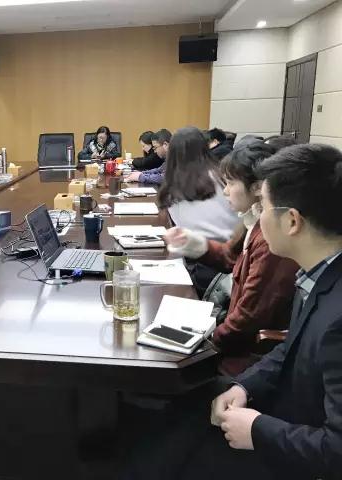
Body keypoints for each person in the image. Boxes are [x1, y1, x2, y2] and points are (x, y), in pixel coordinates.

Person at [124, 143, 342, 480]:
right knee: (176, 416)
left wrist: (257, 429)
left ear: (292, 221)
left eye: (263, 206)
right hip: (280, 414)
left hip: (292, 446)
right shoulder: (316, 273)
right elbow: (288, 350)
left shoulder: (337, 315)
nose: (257, 216)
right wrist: (244, 387)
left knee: (172, 444)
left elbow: (335, 450)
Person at [164, 142, 298, 372]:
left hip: (246, 359)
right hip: (233, 339)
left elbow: (248, 318)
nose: (225, 191)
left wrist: (206, 343)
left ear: (258, 188)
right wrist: (192, 243)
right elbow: (230, 258)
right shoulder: (251, 221)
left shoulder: (270, 238)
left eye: (230, 183)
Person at [157, 126, 239, 242]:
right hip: (233, 244)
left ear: (172, 153)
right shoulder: (221, 176)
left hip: (198, 247)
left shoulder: (174, 184)